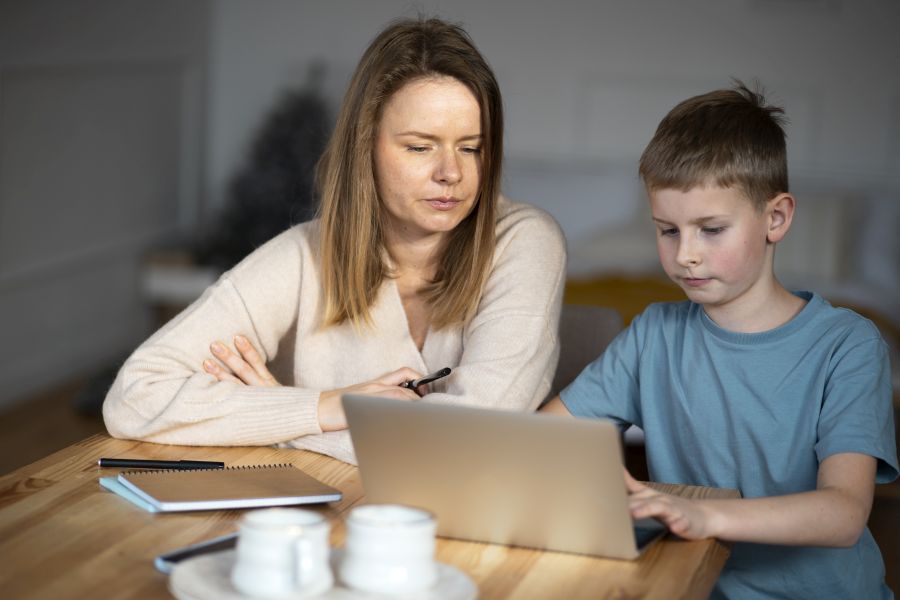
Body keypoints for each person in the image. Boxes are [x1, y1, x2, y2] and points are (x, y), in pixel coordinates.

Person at [103, 17, 566, 465]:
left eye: (472, 147)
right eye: (420, 147)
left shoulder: (526, 241)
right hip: (324, 524)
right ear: (365, 147)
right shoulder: (304, 254)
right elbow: (134, 397)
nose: (451, 173)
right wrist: (323, 406)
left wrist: (284, 421)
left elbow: (468, 442)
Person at [542, 82, 898, 599]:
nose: (685, 254)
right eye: (667, 230)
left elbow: (843, 513)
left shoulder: (848, 345)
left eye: (710, 229)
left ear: (776, 218)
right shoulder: (653, 334)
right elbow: (548, 437)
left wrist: (701, 512)